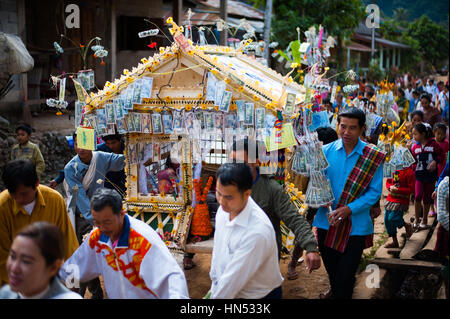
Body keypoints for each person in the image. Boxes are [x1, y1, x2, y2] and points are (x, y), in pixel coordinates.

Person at [59, 188, 188, 298]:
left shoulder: (143, 241)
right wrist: (72, 294)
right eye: (97, 223)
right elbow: (73, 269)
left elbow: (172, 279)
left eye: (107, 222)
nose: (102, 228)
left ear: (121, 214)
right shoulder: (97, 238)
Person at [312, 107, 385, 299]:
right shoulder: (325, 151)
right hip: (326, 222)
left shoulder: (373, 156)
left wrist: (349, 209)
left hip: (356, 227)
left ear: (362, 129)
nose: (346, 132)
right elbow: (317, 184)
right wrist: (317, 198)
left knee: (345, 276)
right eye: (342, 127)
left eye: (352, 128)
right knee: (335, 276)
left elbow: (374, 192)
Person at [230, 138, 321, 279]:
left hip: (264, 258)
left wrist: (310, 247)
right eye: (233, 162)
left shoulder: (271, 189)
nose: (235, 168)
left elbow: (294, 219)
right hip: (234, 255)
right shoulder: (227, 186)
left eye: (242, 163)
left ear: (255, 162)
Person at [64, 132, 125, 298]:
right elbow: (80, 198)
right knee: (79, 255)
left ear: (92, 143)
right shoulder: (71, 168)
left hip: (98, 214)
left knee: (91, 255)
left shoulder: (101, 157)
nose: (80, 148)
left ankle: (94, 292)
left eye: (84, 143)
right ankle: (80, 292)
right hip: (80, 215)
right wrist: (95, 220)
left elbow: (122, 161)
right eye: (77, 143)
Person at [209, 163, 284, 299]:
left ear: (247, 193)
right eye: (219, 193)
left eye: (229, 197)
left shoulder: (257, 232)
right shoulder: (223, 210)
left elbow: (232, 282)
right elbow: (218, 251)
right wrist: (214, 284)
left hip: (259, 296)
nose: (221, 201)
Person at [0, 160, 79, 286]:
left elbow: (67, 241)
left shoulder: (55, 200)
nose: (19, 199)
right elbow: (2, 256)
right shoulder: (2, 206)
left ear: (36, 183)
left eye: (24, 194)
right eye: (13, 194)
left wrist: (72, 280)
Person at [0, 222, 82, 299]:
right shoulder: (5, 294)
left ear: (53, 267)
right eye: (12, 256)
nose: (14, 268)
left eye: (26, 261)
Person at [411, 123, 444, 230]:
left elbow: (441, 155)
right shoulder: (415, 147)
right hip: (419, 176)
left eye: (415, 134)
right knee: (417, 196)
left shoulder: (433, 144)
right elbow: (412, 161)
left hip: (430, 177)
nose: (414, 137)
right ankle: (416, 219)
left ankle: (424, 220)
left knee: (426, 198)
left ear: (423, 134)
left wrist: (435, 161)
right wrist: (413, 167)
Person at [383, 167, 414, 248]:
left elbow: (411, 189)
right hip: (390, 199)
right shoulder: (392, 167)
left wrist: (399, 189)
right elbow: (388, 181)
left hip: (401, 200)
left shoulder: (409, 172)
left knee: (393, 218)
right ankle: (395, 241)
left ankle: (407, 225)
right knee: (387, 220)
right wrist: (389, 187)